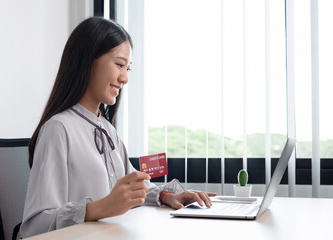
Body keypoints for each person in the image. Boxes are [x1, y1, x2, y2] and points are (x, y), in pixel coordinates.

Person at [20, 16, 216, 238]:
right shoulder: (58, 129)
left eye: (128, 69)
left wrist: (167, 196)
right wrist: (100, 208)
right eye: (120, 64)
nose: (124, 78)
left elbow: (134, 187)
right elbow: (34, 226)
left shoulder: (107, 129)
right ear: (88, 60)